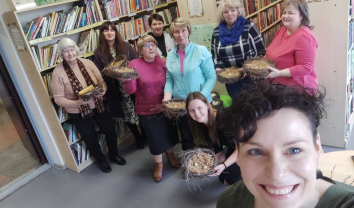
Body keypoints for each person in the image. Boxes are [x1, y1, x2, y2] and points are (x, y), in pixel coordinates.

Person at [216, 82, 354, 208]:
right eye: (256, 152)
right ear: (238, 154)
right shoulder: (229, 201)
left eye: (294, 150)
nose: (277, 175)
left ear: (317, 149)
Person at [51, 38, 126, 173]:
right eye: (66, 51)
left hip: (98, 104)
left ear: (76, 50)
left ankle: (114, 155)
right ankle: (101, 161)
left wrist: (102, 91)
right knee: (89, 136)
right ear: (61, 54)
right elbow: (58, 99)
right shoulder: (58, 73)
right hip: (77, 110)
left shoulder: (87, 63)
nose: (70, 54)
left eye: (72, 50)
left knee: (109, 130)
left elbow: (101, 82)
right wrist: (76, 103)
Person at [122, 35, 180, 182]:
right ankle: (159, 165)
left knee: (168, 133)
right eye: (147, 46)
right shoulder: (134, 64)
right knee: (154, 139)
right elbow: (131, 91)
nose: (151, 48)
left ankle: (170, 156)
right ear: (140, 50)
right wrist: (128, 80)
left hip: (165, 106)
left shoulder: (162, 63)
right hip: (146, 110)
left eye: (153, 45)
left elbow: (170, 83)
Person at [163, 17, 217, 150]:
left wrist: (201, 99)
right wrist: (167, 96)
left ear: (188, 31)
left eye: (183, 31)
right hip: (181, 104)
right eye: (176, 32)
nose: (180, 35)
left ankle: (214, 163)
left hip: (201, 104)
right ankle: (190, 163)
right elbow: (169, 79)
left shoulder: (201, 51)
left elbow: (211, 77)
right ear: (172, 34)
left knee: (207, 135)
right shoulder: (170, 55)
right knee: (187, 136)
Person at [93, 21, 146, 149]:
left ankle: (145, 135)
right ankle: (137, 137)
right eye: (106, 30)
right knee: (127, 114)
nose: (109, 33)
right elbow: (98, 73)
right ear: (102, 34)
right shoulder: (99, 52)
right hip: (116, 90)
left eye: (112, 30)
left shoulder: (126, 46)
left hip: (132, 85)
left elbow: (135, 63)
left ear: (116, 32)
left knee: (141, 110)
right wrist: (108, 72)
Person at [211, 0, 266, 98]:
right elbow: (215, 57)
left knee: (255, 106)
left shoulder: (249, 27)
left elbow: (261, 52)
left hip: (251, 78)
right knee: (237, 107)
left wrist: (249, 68)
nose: (230, 14)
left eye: (233, 10)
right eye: (226, 12)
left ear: (238, 11)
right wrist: (217, 67)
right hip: (230, 80)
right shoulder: (216, 32)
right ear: (222, 14)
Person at [186, 92, 241, 185]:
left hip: (248, 145)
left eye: (199, 108)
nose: (196, 113)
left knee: (231, 177)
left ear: (207, 105)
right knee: (223, 177)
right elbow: (219, 153)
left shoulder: (223, 119)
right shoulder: (202, 126)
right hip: (234, 147)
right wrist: (215, 169)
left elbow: (241, 148)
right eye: (192, 110)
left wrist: (224, 165)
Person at [265, 0, 318, 90]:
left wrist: (279, 73)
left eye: (290, 13)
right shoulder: (281, 31)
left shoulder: (304, 36)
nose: (285, 16)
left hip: (297, 90)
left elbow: (306, 67)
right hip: (277, 85)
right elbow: (269, 55)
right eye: (284, 12)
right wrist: (254, 68)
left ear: (301, 15)